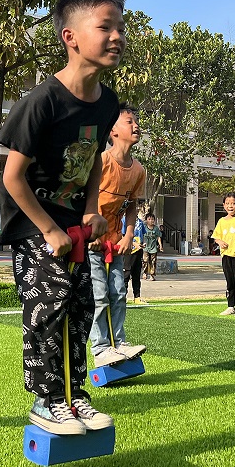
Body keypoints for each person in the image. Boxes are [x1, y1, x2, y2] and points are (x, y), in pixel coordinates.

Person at [0, 0, 123, 436]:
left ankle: (74, 397)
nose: (117, 37)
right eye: (105, 27)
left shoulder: (107, 103)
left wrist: (91, 208)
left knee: (81, 306)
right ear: (70, 37)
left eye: (120, 28)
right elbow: (12, 177)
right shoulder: (42, 101)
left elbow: (93, 160)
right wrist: (49, 229)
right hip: (34, 223)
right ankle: (46, 399)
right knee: (47, 304)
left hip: (73, 224)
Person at [88, 104, 148, 367]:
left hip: (116, 241)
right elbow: (84, 197)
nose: (136, 126)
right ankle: (100, 348)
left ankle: (119, 342)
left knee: (119, 292)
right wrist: (90, 231)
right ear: (112, 131)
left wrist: (128, 235)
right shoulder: (101, 161)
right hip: (92, 240)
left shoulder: (138, 170)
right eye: (129, 121)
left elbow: (132, 205)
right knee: (99, 294)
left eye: (137, 122)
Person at [122, 211, 146, 304]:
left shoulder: (140, 222)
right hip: (128, 251)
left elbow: (142, 234)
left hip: (138, 252)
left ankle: (137, 297)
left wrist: (142, 244)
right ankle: (123, 297)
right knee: (126, 274)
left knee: (136, 274)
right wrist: (134, 244)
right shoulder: (124, 220)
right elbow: (123, 236)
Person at [141, 212, 163, 280]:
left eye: (152, 219)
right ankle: (145, 273)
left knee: (153, 261)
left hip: (153, 248)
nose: (151, 221)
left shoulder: (156, 228)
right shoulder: (144, 227)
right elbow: (141, 235)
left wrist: (160, 245)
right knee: (145, 261)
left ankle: (152, 275)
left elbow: (158, 237)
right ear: (146, 220)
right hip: (145, 247)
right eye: (149, 219)